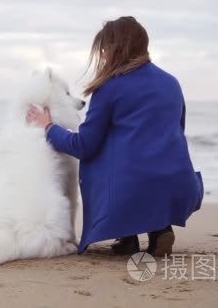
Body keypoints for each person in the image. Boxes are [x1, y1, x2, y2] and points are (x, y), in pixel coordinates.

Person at [26, 16, 203, 256]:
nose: (103, 55)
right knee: (142, 147)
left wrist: (49, 128)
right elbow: (175, 133)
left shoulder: (110, 87)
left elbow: (84, 146)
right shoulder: (171, 83)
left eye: (104, 49)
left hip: (132, 193)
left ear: (115, 48)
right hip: (179, 187)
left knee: (102, 158)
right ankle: (158, 229)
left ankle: (128, 232)